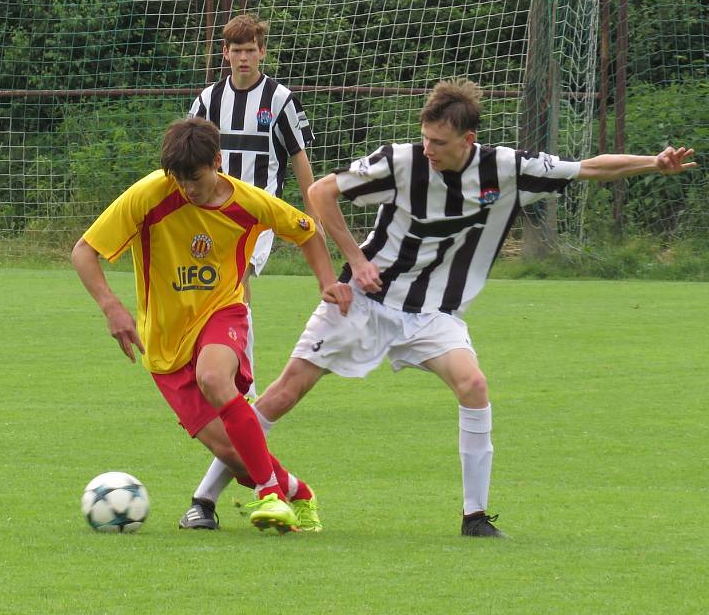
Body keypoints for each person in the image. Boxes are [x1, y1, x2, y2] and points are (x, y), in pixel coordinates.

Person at [179, 77, 697, 537]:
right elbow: (320, 191)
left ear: (468, 141)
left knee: (473, 385)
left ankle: (475, 516)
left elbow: (586, 169)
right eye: (424, 138)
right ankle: (204, 500)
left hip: (431, 314)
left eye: (439, 143)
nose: (428, 149)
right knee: (284, 393)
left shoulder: (505, 167)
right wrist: (355, 259)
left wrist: (654, 162)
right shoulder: (400, 161)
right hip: (364, 300)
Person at [71, 117, 351, 534]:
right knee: (234, 453)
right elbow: (84, 251)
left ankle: (270, 496)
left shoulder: (249, 202)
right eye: (179, 179)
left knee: (214, 378)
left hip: (223, 312)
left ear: (217, 162)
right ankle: (299, 493)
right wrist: (111, 306)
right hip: (164, 342)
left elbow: (306, 231)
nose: (188, 188)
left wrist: (327, 282)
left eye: (196, 178)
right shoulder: (149, 195)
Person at [188, 13, 318, 402]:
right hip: (211, 214)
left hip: (258, 215)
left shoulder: (280, 100)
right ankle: (214, 373)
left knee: (235, 284)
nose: (244, 57)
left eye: (251, 50)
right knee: (210, 289)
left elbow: (299, 158)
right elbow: (188, 154)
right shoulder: (207, 100)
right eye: (237, 50)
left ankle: (245, 386)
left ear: (262, 52)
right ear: (225, 53)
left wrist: (314, 215)